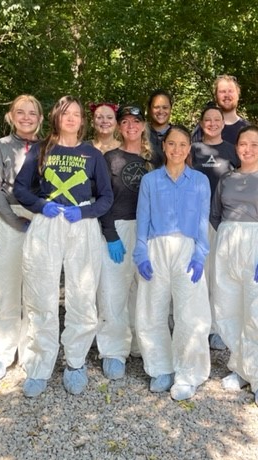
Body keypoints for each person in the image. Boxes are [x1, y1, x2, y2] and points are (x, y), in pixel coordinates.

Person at [13, 95, 113, 398]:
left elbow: (106, 197)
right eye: (66, 113)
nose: (71, 118)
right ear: (57, 117)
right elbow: (20, 188)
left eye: (77, 114)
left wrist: (84, 212)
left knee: (82, 295)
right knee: (41, 294)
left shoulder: (92, 154)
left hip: (80, 224)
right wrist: (40, 206)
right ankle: (41, 364)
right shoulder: (42, 149)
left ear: (83, 121)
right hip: (48, 223)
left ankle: (75, 361)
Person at [133, 125, 211, 401]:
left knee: (190, 314)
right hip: (156, 248)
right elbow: (142, 219)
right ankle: (160, 368)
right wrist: (140, 252)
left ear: (189, 149)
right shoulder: (151, 181)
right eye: (172, 144)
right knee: (151, 310)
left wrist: (201, 254)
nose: (177, 149)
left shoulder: (200, 181)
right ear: (163, 147)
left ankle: (187, 373)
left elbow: (203, 222)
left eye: (182, 145)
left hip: (187, 249)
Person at [211, 125, 258, 409]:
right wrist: (230, 240)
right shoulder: (227, 179)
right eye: (243, 144)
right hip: (229, 248)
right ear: (237, 147)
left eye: (254, 144)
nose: (248, 149)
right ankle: (243, 368)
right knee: (229, 310)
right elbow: (216, 215)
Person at [0, 94, 43, 381]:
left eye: (32, 113)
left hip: (41, 221)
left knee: (37, 289)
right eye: (21, 112)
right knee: (3, 288)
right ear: (11, 116)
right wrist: (14, 220)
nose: (27, 117)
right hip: (8, 220)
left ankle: (32, 352)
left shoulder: (48, 148)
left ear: (41, 118)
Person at [96, 104, 154, 379]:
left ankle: (139, 345)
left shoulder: (154, 160)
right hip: (119, 226)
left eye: (137, 121)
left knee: (143, 292)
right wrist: (110, 234)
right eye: (126, 122)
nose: (131, 126)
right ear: (120, 127)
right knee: (113, 291)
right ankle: (113, 350)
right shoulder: (109, 158)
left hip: (147, 231)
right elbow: (102, 199)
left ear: (144, 126)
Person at [191, 102, 240, 351]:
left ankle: (218, 328)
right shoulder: (192, 149)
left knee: (221, 276)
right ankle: (199, 325)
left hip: (225, 220)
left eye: (216, 119)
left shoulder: (233, 150)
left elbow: (244, 181)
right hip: (196, 220)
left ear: (223, 123)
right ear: (201, 124)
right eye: (207, 120)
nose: (212, 123)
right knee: (199, 275)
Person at [192, 75, 248, 144]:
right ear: (216, 96)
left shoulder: (247, 128)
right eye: (222, 92)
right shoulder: (205, 127)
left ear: (238, 95)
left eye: (231, 91)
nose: (227, 95)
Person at [147, 89, 173, 164]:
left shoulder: (178, 134)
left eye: (165, 107)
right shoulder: (141, 133)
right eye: (156, 107)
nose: (161, 111)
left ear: (170, 109)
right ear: (149, 109)